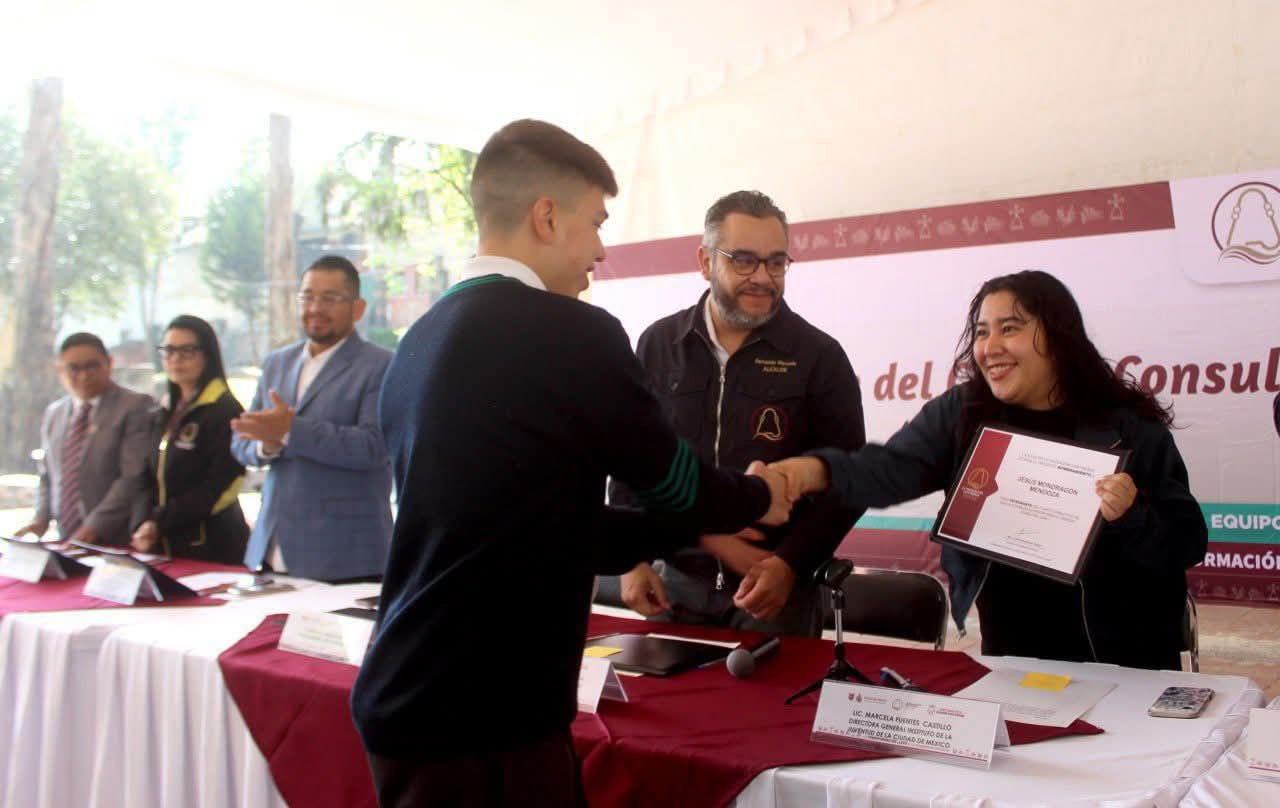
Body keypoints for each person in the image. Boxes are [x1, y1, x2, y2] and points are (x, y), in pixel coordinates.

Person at [350, 119, 790, 808]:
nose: (601, 249)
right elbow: (675, 485)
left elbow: (553, 529)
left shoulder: (419, 340)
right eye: (594, 223)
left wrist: (684, 532)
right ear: (546, 218)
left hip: (411, 696)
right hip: (485, 715)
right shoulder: (571, 333)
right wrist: (759, 496)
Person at [772, 270, 1207, 670]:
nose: (989, 347)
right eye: (982, 332)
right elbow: (887, 471)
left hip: (1128, 663)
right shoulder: (961, 416)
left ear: (1057, 335)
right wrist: (813, 472)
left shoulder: (1130, 428)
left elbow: (1188, 541)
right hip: (1013, 662)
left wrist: (1132, 517)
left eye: (1010, 328)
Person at [612, 190, 865, 637]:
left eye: (776, 262)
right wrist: (632, 559)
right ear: (706, 262)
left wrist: (790, 565)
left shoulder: (820, 357)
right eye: (744, 261)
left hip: (775, 592)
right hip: (674, 585)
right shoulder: (658, 344)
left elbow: (847, 482)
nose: (763, 278)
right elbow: (630, 463)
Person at [230, 255, 393, 582]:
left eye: (329, 298)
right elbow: (242, 444)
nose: (315, 308)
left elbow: (374, 447)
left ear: (357, 308)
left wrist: (291, 430)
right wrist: (268, 445)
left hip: (345, 555)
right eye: (307, 297)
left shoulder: (382, 365)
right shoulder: (277, 363)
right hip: (271, 548)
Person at [129, 316, 249, 564]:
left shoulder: (224, 410)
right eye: (169, 350)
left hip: (210, 546)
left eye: (187, 351)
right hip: (162, 543)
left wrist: (160, 521)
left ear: (208, 355)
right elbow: (145, 476)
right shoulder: (164, 410)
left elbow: (221, 484)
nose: (175, 359)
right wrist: (143, 521)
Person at [16, 333, 153, 545]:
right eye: (74, 368)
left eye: (92, 366)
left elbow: (131, 477)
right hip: (66, 539)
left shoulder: (135, 407)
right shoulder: (55, 413)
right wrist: (41, 519)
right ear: (59, 370)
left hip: (117, 540)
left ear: (109, 364)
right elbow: (47, 475)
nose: (83, 376)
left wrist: (94, 527)